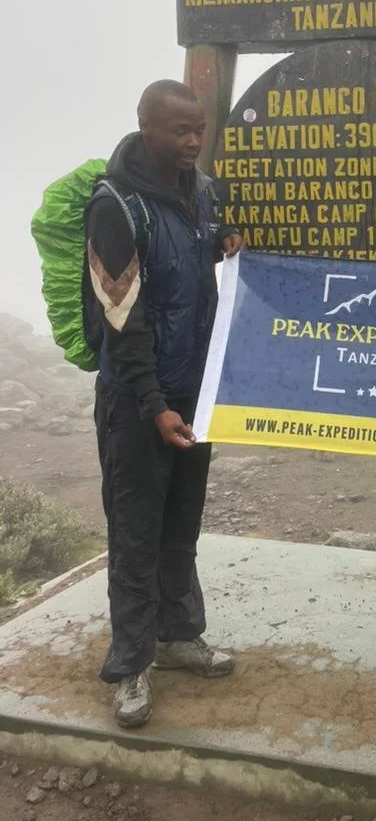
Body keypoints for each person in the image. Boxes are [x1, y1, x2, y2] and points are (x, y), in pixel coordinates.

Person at [86, 79, 243, 728]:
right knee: (136, 533)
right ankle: (130, 666)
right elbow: (122, 318)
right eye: (178, 130)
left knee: (182, 524)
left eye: (198, 130)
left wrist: (224, 241)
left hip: (192, 394)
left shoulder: (202, 192)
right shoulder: (115, 206)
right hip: (137, 402)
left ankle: (180, 637)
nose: (191, 141)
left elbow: (195, 276)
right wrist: (153, 403)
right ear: (146, 126)